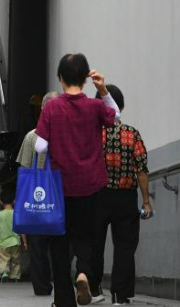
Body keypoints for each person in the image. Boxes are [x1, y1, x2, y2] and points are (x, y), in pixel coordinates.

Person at [34, 53, 121, 307]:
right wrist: (103, 89)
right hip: (91, 184)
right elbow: (115, 116)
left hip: (60, 187)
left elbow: (39, 147)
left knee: (59, 244)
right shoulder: (95, 107)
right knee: (87, 237)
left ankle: (63, 301)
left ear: (60, 78)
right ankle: (83, 273)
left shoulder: (51, 107)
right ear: (85, 78)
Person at [90, 85, 152, 306]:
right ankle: (120, 295)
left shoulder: (93, 133)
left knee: (94, 243)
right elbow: (141, 170)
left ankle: (94, 288)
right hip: (126, 196)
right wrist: (146, 200)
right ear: (121, 107)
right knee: (125, 246)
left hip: (97, 195)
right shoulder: (132, 134)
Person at [15, 91, 58, 296]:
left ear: (42, 109)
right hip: (60, 197)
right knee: (62, 242)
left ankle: (42, 287)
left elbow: (23, 170)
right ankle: (62, 280)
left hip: (36, 198)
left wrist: (20, 202)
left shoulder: (31, 136)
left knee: (38, 246)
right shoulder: (66, 134)